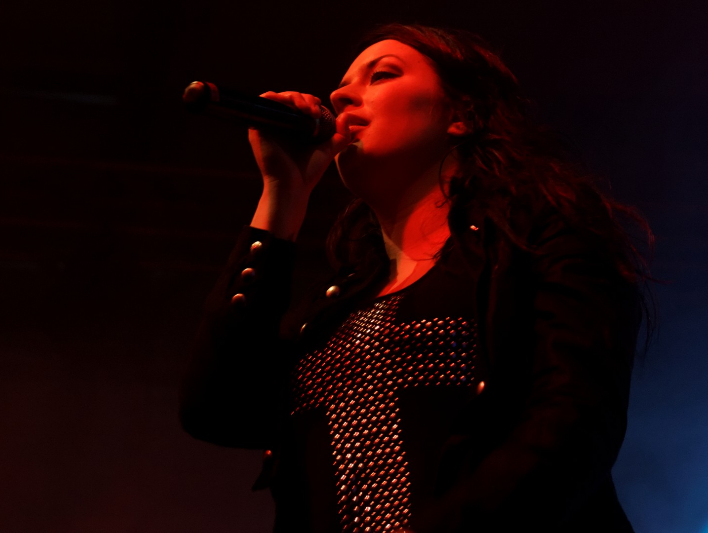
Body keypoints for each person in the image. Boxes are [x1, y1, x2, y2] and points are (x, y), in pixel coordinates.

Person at [179, 23, 653, 533]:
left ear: (462, 114)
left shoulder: (537, 239)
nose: (338, 96)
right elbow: (217, 409)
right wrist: (283, 195)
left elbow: (573, 424)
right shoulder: (332, 309)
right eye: (342, 84)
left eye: (381, 75)